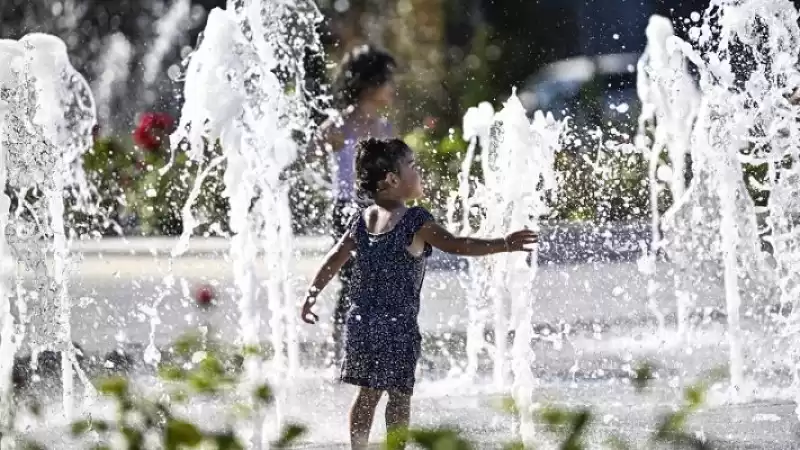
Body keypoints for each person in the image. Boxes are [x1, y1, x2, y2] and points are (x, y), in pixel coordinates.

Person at [299, 138, 538, 449]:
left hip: (360, 323)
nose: (419, 170)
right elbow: (457, 245)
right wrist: (503, 243)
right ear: (391, 180)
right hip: (398, 327)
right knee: (398, 397)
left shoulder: (362, 218)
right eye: (412, 165)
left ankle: (357, 448)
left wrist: (311, 293)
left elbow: (334, 257)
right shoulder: (414, 220)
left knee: (367, 395)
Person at [312, 44, 398, 369]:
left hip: (380, 213)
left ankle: (373, 349)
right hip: (348, 212)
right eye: (387, 81)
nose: (392, 88)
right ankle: (341, 354)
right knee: (351, 281)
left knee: (380, 283)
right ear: (369, 85)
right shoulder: (341, 127)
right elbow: (311, 152)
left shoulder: (385, 130)